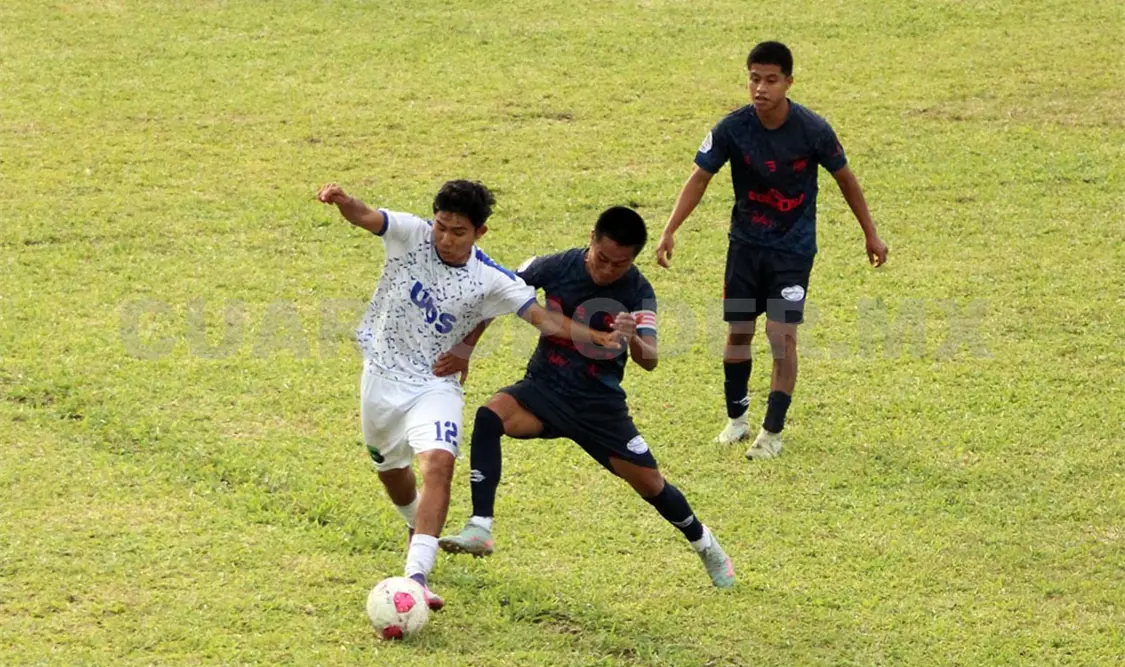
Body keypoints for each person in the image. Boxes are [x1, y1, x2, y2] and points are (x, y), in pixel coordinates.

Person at [316, 180, 621, 611]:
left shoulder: (491, 279)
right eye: (441, 226)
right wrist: (344, 202)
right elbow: (367, 216)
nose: (445, 238)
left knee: (439, 464)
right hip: (381, 378)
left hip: (434, 384)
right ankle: (417, 526)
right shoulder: (411, 234)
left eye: (458, 232)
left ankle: (416, 577)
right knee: (391, 470)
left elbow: (545, 320)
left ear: (481, 232)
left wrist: (598, 339)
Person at [435, 206, 735, 589]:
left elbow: (651, 361)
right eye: (602, 258)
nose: (607, 270)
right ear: (591, 239)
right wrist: (465, 349)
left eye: (619, 264)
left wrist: (633, 339)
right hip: (544, 388)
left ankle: (706, 545)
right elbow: (499, 296)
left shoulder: (638, 291)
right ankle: (480, 527)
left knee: (652, 487)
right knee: (489, 416)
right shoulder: (556, 266)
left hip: (599, 407)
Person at [654, 40, 889, 460]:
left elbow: (846, 179)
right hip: (745, 249)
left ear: (788, 82)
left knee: (781, 338)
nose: (760, 88)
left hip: (792, 252)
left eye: (770, 80)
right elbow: (699, 177)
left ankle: (772, 434)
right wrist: (670, 229)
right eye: (754, 79)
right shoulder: (732, 128)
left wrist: (870, 233)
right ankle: (736, 421)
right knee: (738, 333)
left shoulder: (813, 129)